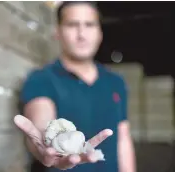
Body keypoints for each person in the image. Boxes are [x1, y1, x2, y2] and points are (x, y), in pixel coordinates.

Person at [14, 1, 136, 172]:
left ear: (99, 32)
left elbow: (123, 139)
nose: (82, 34)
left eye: (89, 25)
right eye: (72, 25)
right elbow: (42, 120)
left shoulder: (116, 82)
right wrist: (45, 144)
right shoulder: (41, 79)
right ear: (57, 32)